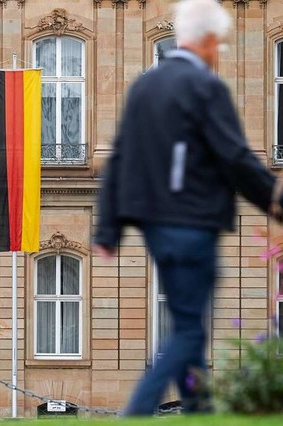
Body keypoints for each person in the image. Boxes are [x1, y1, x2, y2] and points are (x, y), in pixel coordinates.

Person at [93, 0, 283, 416]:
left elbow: (121, 157)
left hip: (156, 227)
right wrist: (276, 201)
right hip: (193, 223)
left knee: (187, 324)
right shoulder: (204, 87)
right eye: (221, 45)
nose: (220, 54)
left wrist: (108, 229)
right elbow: (234, 156)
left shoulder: (146, 85)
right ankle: (138, 412)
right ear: (209, 41)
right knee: (186, 330)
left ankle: (199, 409)